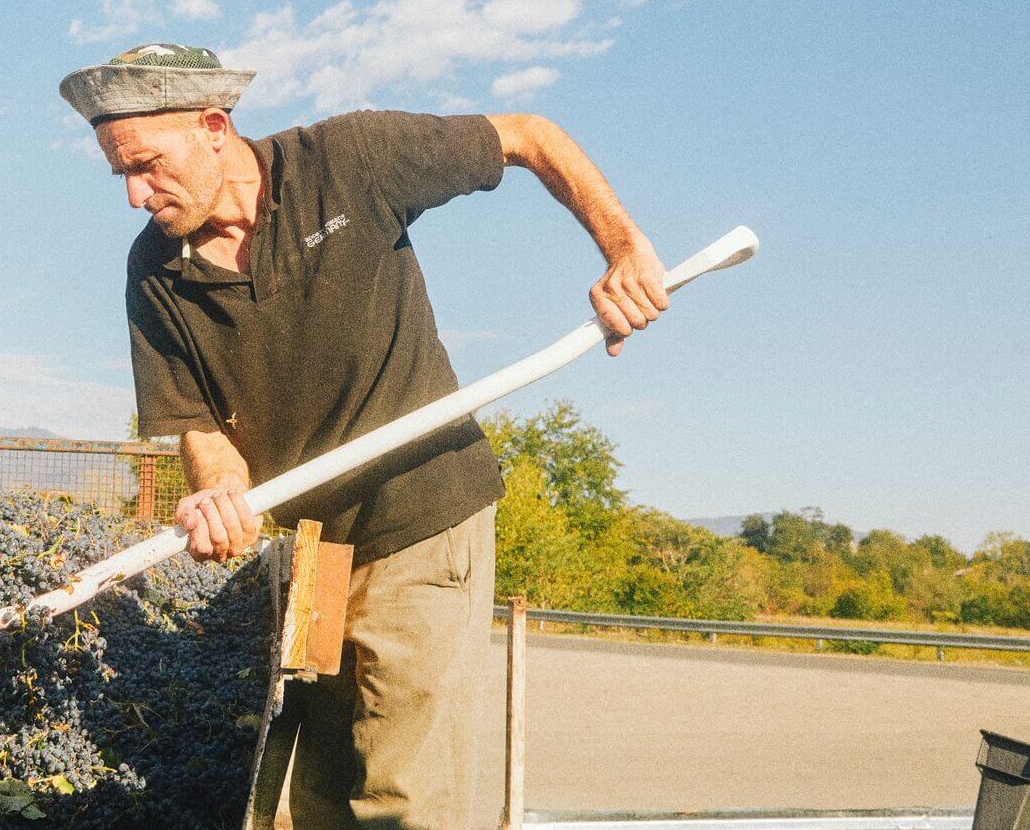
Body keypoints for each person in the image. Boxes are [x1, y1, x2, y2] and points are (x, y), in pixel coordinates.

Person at [59, 43, 668, 829]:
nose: (137, 194)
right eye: (123, 175)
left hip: (420, 517)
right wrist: (218, 493)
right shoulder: (154, 270)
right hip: (310, 547)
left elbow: (528, 135)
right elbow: (203, 428)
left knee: (398, 799)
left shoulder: (350, 161)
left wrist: (623, 249)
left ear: (213, 126)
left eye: (147, 165)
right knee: (319, 794)